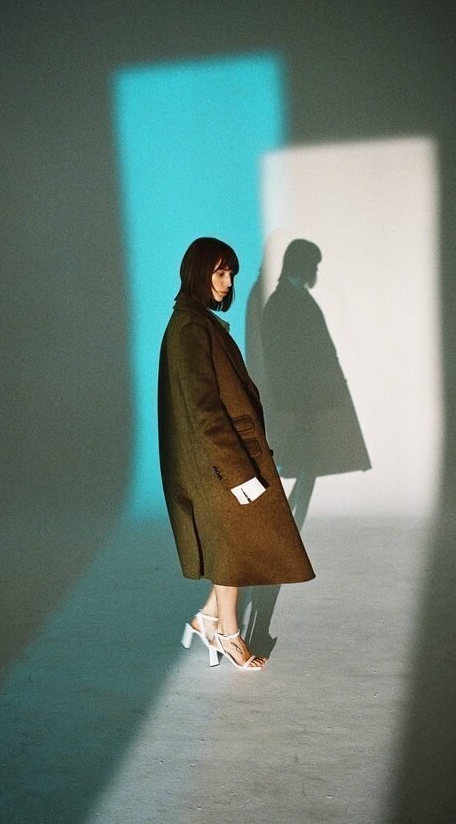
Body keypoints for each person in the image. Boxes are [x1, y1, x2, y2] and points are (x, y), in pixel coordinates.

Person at [158, 237, 315, 670]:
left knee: (237, 543)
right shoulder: (190, 327)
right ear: (198, 272)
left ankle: (207, 619)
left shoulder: (197, 322)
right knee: (234, 547)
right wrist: (236, 470)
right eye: (220, 272)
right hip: (216, 462)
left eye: (231, 274)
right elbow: (204, 409)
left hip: (217, 458)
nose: (228, 283)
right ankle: (228, 635)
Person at [261, 239, 371, 525]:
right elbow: (285, 358)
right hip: (301, 401)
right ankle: (288, 523)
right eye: (313, 265)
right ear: (301, 265)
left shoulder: (292, 299)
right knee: (305, 462)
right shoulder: (285, 302)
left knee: (307, 462)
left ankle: (289, 523)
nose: (316, 271)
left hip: (308, 399)